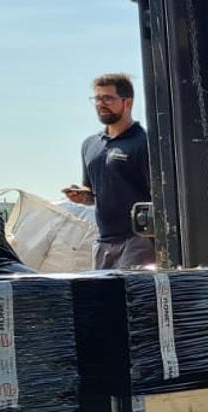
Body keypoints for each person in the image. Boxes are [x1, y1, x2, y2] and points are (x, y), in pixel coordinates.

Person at [64, 73, 153, 269]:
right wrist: (82, 196)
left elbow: (159, 195)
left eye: (108, 98)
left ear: (127, 102)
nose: (101, 104)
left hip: (137, 243)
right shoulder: (90, 145)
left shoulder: (144, 143)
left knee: (134, 298)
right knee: (104, 299)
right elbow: (92, 194)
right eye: (97, 98)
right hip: (103, 242)